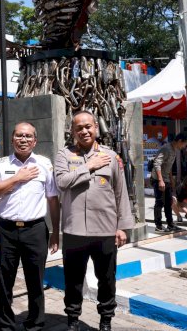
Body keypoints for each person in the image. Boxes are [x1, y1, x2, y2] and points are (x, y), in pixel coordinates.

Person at [54, 111, 135, 331]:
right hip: (74, 230)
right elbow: (61, 182)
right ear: (73, 131)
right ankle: (72, 319)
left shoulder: (111, 157)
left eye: (88, 126)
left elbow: (121, 192)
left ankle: (106, 320)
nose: (84, 131)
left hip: (105, 230)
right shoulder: (64, 155)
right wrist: (89, 166)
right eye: (79, 128)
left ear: (96, 129)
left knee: (107, 279)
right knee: (73, 280)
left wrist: (123, 227)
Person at [0, 122, 60, 331]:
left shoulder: (45, 164)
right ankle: (6, 324)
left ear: (35, 140)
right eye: (19, 136)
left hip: (35, 230)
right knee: (4, 281)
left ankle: (35, 323)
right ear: (12, 139)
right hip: (6, 230)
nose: (23, 140)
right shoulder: (0, 164)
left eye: (27, 136)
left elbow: (53, 200)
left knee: (36, 281)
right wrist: (17, 178)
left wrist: (55, 233)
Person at [151, 132, 187, 233]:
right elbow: (157, 163)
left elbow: (169, 166)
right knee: (159, 202)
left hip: (166, 179)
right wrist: (160, 180)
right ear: (180, 141)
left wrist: (172, 180)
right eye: (185, 144)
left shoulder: (173, 150)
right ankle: (158, 226)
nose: (184, 146)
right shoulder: (166, 148)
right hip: (158, 179)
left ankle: (170, 224)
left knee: (169, 202)